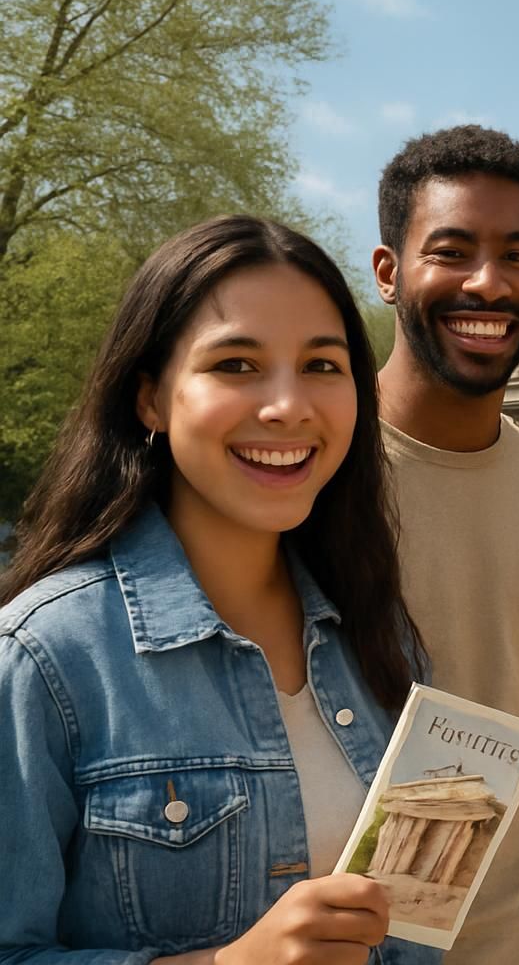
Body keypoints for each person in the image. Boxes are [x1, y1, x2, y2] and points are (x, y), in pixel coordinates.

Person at [0, 216, 437, 963]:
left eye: (322, 366)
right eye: (236, 365)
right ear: (150, 400)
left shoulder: (380, 631)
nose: (288, 405)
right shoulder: (43, 659)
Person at [371, 125, 519, 963]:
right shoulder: (306, 466)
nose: (490, 282)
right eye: (453, 250)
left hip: (518, 943)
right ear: (388, 273)